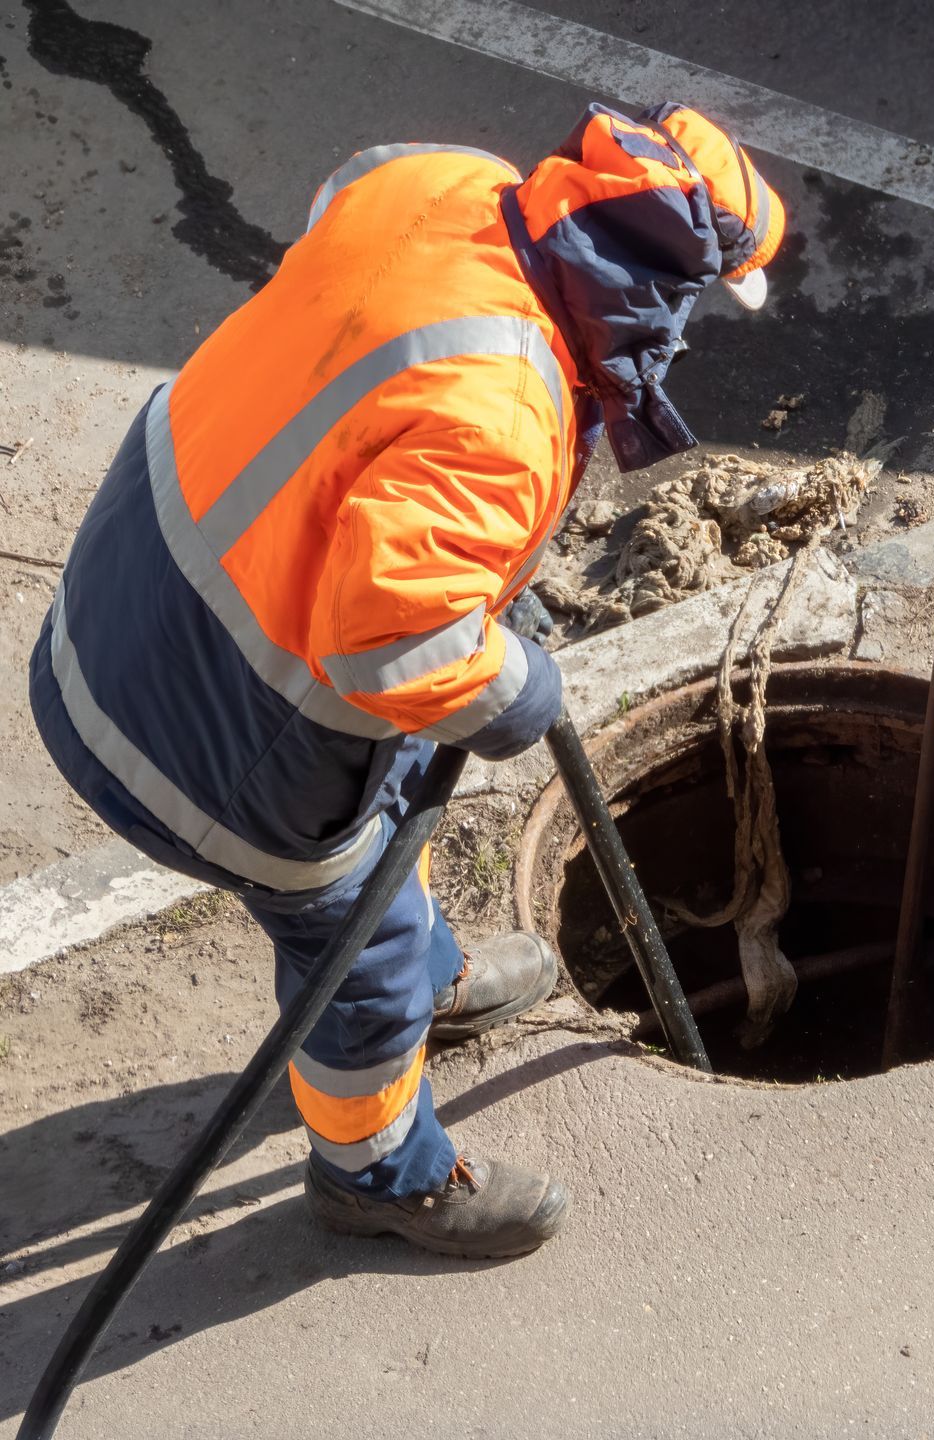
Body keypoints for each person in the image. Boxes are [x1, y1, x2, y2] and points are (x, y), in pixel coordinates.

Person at [29, 101, 785, 1258]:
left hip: (135, 582)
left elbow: (344, 206)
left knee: (397, 816)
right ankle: (377, 1173)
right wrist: (519, 692)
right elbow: (394, 650)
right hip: (211, 728)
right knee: (355, 954)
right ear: (665, 285)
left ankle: (433, 979)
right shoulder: (506, 413)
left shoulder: (446, 181)